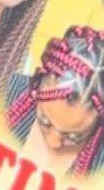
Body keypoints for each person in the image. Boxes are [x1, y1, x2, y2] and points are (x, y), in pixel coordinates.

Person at [6, 27, 104, 176]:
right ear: (38, 85)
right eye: (45, 120)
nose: (53, 143)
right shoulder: (0, 94)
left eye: (74, 136)